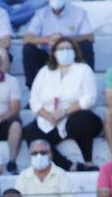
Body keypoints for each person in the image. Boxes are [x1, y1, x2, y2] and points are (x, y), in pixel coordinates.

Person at [24, 38, 103, 172]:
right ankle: (69, 166)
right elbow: (34, 100)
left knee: (81, 120)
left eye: (68, 49)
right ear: (53, 53)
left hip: (73, 117)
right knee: (31, 132)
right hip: (49, 120)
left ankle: (88, 161)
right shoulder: (44, 72)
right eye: (60, 49)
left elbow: (89, 99)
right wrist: (48, 116)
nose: (64, 52)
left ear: (74, 52)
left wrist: (64, 112)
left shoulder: (83, 70)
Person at [21, 0, 95, 88]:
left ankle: (88, 85)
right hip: (48, 54)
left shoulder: (79, 13)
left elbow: (90, 36)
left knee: (86, 45)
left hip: (71, 53)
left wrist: (64, 39)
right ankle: (32, 88)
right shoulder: (41, 14)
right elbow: (27, 38)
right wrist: (47, 39)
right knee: (28, 49)